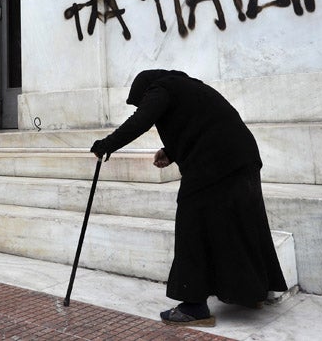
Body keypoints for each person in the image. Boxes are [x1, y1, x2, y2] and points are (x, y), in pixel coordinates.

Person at [90, 69, 287, 327]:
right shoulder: (187, 87)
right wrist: (171, 151)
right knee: (240, 223)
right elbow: (198, 123)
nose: (143, 103)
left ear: (145, 90)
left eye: (141, 100)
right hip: (241, 156)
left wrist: (107, 144)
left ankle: (193, 306)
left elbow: (142, 120)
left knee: (191, 226)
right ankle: (253, 292)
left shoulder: (160, 88)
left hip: (215, 163)